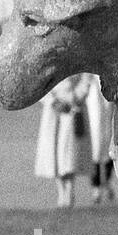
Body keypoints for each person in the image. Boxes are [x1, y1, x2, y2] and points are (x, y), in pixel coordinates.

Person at [34, 72, 92, 207]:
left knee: (70, 152)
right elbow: (38, 83)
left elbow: (86, 77)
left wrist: (76, 96)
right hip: (53, 110)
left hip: (73, 108)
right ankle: (61, 191)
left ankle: (70, 190)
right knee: (54, 151)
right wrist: (52, 101)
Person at [84, 71, 116, 204]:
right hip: (92, 87)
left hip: (108, 86)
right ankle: (96, 186)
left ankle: (107, 181)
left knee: (110, 136)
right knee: (95, 138)